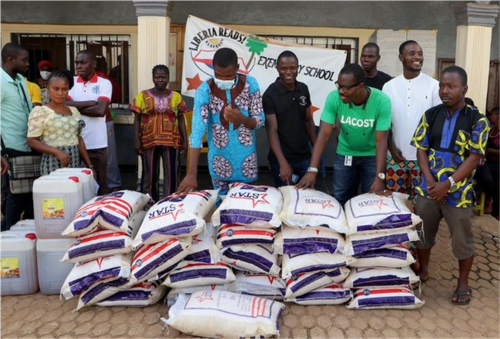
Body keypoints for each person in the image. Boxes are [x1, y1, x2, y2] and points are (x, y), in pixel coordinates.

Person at [412, 66, 489, 305]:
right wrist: (432, 182)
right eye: (442, 86)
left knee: (462, 239)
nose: (444, 91)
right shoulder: (430, 114)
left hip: (460, 193)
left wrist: (449, 183)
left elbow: (474, 157)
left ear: (464, 89)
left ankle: (463, 283)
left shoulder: (478, 120)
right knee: (423, 233)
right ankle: (423, 271)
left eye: (451, 86)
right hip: (430, 189)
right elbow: (421, 149)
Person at [296, 63, 391, 206]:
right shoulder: (334, 98)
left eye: (346, 87)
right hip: (345, 153)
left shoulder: (382, 101)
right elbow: (323, 135)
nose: (340, 91)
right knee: (339, 197)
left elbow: (381, 141)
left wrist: (380, 177)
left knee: (371, 199)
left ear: (360, 86)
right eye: (339, 85)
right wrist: (312, 169)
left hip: (372, 156)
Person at [176, 48, 265, 196]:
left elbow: (260, 120)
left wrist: (241, 119)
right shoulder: (205, 89)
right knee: (221, 209)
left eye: (229, 75)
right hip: (219, 162)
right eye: (218, 75)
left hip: (247, 162)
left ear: (237, 68)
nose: (223, 80)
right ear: (213, 68)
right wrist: (192, 173)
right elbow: (197, 131)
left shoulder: (250, 84)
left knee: (246, 208)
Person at [382, 40, 441, 197]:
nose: (418, 57)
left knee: (421, 203)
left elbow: (437, 125)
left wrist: (427, 153)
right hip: (395, 157)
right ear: (401, 58)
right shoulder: (389, 86)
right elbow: (384, 123)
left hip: (423, 159)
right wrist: (391, 148)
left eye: (420, 54)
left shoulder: (434, 86)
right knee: (395, 202)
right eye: (412, 54)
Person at [129, 65, 189, 201]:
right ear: (153, 78)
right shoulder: (142, 96)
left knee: (172, 174)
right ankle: (149, 203)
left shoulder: (175, 96)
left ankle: (171, 203)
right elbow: (137, 119)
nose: (160, 80)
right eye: (157, 77)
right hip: (149, 140)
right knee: (149, 175)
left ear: (168, 78)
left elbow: (180, 119)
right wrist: (136, 140)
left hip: (172, 141)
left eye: (163, 77)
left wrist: (185, 141)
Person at [263, 50, 316, 187]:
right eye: (283, 68)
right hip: (282, 160)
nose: (288, 72)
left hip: (305, 157)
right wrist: (282, 163)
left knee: (306, 198)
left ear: (297, 68)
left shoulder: (303, 89)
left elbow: (308, 120)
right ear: (277, 69)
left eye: (292, 68)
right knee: (286, 199)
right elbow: (271, 132)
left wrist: (316, 152)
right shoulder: (270, 94)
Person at [27, 70, 94, 175]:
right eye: (56, 89)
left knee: (73, 190)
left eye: (64, 89)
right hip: (52, 164)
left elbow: (79, 140)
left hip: (75, 164)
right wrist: (57, 152)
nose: (60, 93)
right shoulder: (41, 112)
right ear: (48, 89)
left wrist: (89, 166)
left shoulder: (74, 111)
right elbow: (32, 141)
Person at [66, 50, 112, 194]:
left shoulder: (104, 83)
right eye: (77, 63)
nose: (79, 66)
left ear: (93, 64)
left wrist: (74, 107)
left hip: (97, 144)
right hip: (74, 143)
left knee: (101, 185)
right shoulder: (71, 82)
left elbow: (100, 111)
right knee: (76, 187)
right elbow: (62, 105)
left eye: (83, 62)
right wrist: (89, 103)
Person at [0, 43, 34, 230]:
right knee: (14, 195)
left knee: (28, 195)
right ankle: (6, 235)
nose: (28, 63)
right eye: (24, 60)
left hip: (27, 145)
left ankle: (24, 234)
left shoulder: (21, 80)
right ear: (10, 60)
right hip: (9, 148)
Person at [96, 55, 122, 192]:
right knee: (108, 155)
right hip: (94, 122)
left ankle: (104, 185)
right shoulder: (77, 80)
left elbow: (115, 94)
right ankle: (112, 185)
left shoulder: (105, 79)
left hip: (104, 120)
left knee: (107, 155)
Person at [475, 106, 500, 219]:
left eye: (492, 115)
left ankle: (488, 199)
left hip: (497, 164)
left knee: (487, 175)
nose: (490, 117)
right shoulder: (491, 130)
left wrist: (490, 151)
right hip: (488, 162)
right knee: (482, 170)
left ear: (498, 116)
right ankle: (487, 200)